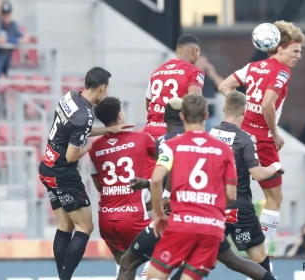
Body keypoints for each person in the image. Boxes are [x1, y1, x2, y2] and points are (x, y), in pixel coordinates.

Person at [118, 96, 275, 280]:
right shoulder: (223, 148)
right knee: (233, 262)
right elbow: (231, 194)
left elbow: (155, 180)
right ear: (207, 116)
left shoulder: (171, 146)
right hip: (211, 225)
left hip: (181, 223)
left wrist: (159, 214)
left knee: (150, 274)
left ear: (183, 117)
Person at [218, 20, 305, 252]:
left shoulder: (253, 66)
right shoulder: (282, 71)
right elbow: (268, 104)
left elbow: (225, 87)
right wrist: (275, 133)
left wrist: (243, 109)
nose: (299, 56)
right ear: (280, 48)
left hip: (240, 136)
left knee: (233, 191)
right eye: (295, 51)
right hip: (263, 140)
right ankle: (264, 251)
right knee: (274, 199)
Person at [38, 67, 131, 280]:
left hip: (47, 167)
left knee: (66, 225)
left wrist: (108, 130)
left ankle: (63, 277)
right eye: (106, 89)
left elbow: (73, 130)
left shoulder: (70, 96)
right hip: (64, 173)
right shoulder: (86, 115)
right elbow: (72, 155)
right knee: (85, 226)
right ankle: (65, 278)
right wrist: (90, 144)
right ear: (102, 87)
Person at [209, 90, 285, 271]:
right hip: (238, 209)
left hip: (212, 208)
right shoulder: (245, 139)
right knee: (260, 261)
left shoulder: (209, 135)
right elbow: (258, 174)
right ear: (245, 111)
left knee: (203, 263)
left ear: (223, 108)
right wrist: (275, 167)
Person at [88, 96, 156, 278]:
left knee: (124, 266)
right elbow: (164, 162)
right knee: (163, 250)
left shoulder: (94, 147)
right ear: (120, 115)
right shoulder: (142, 138)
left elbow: (99, 185)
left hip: (107, 220)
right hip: (133, 217)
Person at [143, 34, 205, 178]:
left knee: (152, 185)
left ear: (177, 51)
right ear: (195, 51)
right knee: (177, 184)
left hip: (150, 135)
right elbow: (195, 101)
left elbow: (149, 104)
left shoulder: (156, 72)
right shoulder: (194, 71)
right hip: (174, 134)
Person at [195, 55, 224, 131]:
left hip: (209, 116)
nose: (202, 64)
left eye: (204, 62)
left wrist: (213, 73)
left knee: (218, 129)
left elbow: (224, 87)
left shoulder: (209, 78)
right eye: (199, 62)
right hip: (194, 116)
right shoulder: (191, 76)